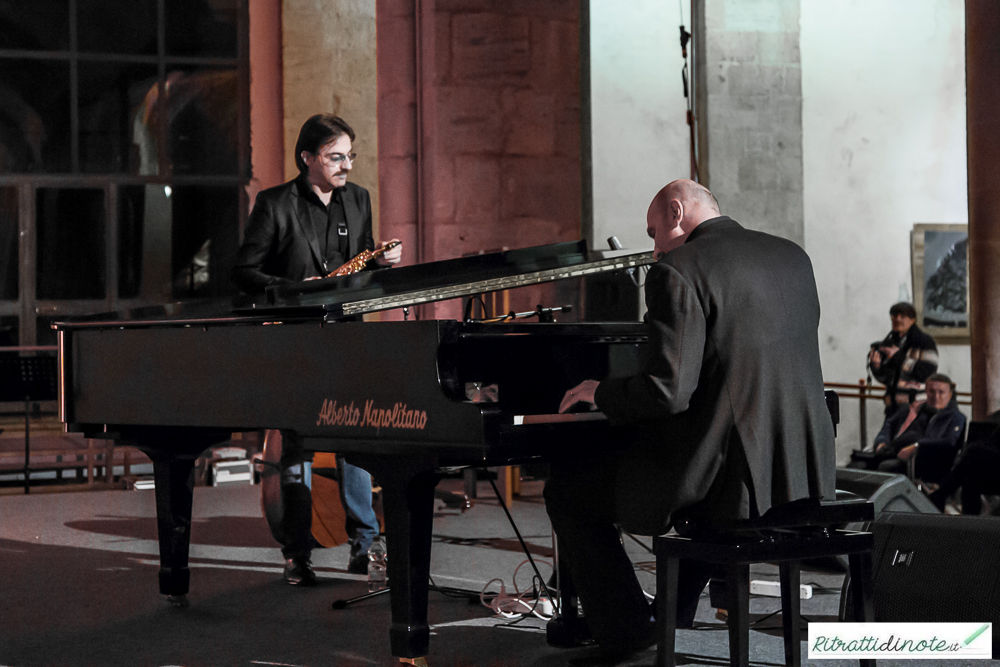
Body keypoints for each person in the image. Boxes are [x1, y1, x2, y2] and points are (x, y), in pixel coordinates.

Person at [545, 179, 835, 659]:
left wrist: (603, 392)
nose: (654, 250)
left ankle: (628, 636)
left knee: (568, 493)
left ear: (677, 212)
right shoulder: (792, 257)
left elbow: (666, 392)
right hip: (799, 467)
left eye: (654, 232)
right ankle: (668, 619)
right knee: (691, 492)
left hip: (726, 477)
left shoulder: (679, 269)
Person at [232, 114, 402, 585]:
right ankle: (297, 553)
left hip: (347, 337)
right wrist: (294, 287)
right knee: (298, 448)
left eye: (350, 155)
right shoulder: (274, 204)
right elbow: (244, 273)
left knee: (355, 442)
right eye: (335, 157)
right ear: (307, 158)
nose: (346, 165)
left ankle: (364, 545)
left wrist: (381, 261)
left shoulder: (359, 199)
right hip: (295, 342)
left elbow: (361, 268)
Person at [857, 373, 966, 476]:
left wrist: (917, 446)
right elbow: (888, 427)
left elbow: (950, 442)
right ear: (926, 392)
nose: (936, 397)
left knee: (886, 468)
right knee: (858, 465)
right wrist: (881, 442)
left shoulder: (956, 417)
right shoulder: (915, 410)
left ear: (950, 394)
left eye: (941, 392)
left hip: (925, 462)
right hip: (894, 452)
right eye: (931, 392)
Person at [868, 302, 938, 414]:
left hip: (917, 408)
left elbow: (928, 373)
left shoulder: (924, 342)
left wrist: (898, 357)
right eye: (894, 316)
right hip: (892, 407)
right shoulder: (891, 342)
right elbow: (886, 379)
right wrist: (876, 366)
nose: (897, 319)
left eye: (902, 316)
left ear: (913, 319)